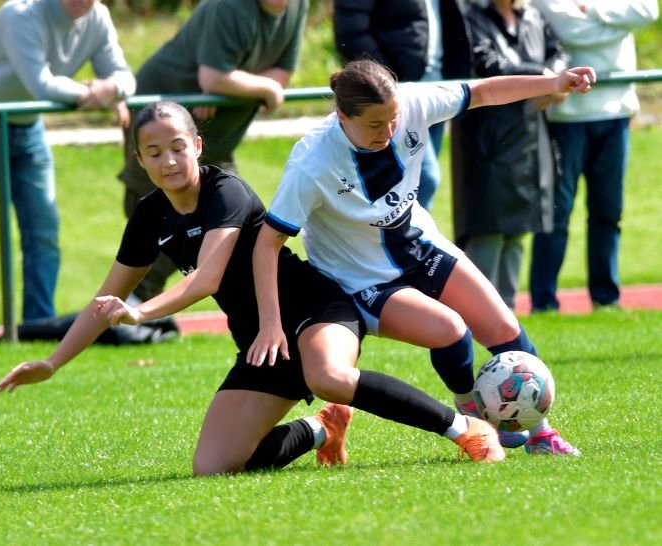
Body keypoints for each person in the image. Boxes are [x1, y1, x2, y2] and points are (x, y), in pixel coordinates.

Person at [0, 101, 508, 477]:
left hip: (316, 309)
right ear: (139, 159)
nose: (169, 160)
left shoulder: (226, 192)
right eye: (154, 152)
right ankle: (320, 429)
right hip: (261, 341)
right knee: (214, 468)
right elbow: (104, 300)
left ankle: (465, 430)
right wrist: (53, 363)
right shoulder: (149, 214)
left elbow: (206, 279)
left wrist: (140, 313)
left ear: (197, 145)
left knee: (329, 374)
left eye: (178, 147)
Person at [250, 59, 593, 455]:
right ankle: (472, 412)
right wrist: (271, 324)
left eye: (393, 119)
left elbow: (483, 91)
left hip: (421, 246)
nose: (389, 131)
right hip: (365, 279)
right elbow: (268, 241)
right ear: (341, 115)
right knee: (450, 330)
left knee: (505, 330)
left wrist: (552, 82)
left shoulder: (411, 102)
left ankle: (541, 436)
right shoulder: (312, 163)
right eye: (375, 125)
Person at [118, 0, 308, 305]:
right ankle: (131, 308)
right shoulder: (229, 7)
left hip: (215, 137)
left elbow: (281, 75)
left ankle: (138, 309)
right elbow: (214, 78)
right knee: (159, 220)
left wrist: (236, 84)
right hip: (163, 121)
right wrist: (243, 86)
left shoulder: (297, 6)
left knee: (230, 226)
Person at [0, 0, 136, 347]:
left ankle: (37, 328)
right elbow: (41, 86)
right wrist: (99, 93)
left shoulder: (99, 16)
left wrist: (112, 89)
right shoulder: (21, 16)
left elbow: (124, 77)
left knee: (43, 231)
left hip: (28, 127)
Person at [529, 0, 659, 312]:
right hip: (566, 118)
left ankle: (606, 298)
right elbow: (573, 33)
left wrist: (593, 9)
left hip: (616, 116)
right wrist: (619, 21)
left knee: (608, 211)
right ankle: (544, 302)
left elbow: (648, 11)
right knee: (557, 213)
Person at [450, 0, 569, 310]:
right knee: (487, 231)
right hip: (488, 139)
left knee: (519, 229)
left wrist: (552, 78)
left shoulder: (533, 15)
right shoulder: (469, 15)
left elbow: (559, 53)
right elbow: (490, 64)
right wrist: (545, 80)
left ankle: (509, 314)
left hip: (530, 134)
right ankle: (478, 315)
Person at [333, 0, 471, 210]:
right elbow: (351, 32)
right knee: (426, 180)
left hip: (439, 83)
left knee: (413, 184)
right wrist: (385, 85)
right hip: (395, 94)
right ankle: (396, 240)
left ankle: (404, 239)